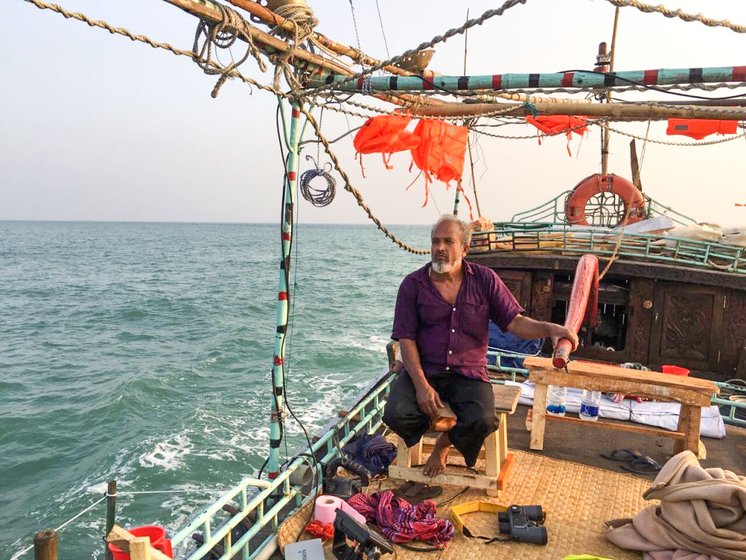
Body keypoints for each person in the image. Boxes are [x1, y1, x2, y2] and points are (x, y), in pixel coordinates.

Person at [383, 214, 578, 477]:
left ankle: (443, 443)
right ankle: (444, 424)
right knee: (396, 412)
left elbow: (515, 322)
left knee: (484, 419)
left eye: (448, 242)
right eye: (435, 242)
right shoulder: (412, 285)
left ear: (464, 248)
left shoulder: (484, 280)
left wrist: (550, 328)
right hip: (424, 369)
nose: (440, 248)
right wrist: (421, 386)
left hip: (467, 373)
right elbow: (406, 339)